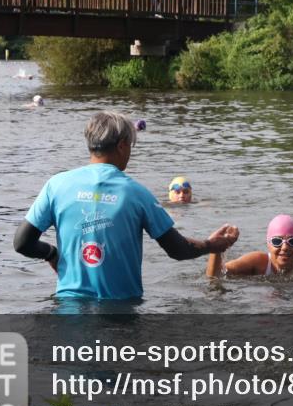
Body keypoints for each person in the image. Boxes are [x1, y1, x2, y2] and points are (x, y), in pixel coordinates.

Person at [13, 112, 240, 299]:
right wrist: (211, 245)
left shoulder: (56, 185)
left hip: (68, 310)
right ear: (122, 145)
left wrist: (52, 253)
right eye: (131, 145)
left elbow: (22, 243)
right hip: (121, 313)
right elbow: (177, 250)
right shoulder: (137, 193)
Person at [206, 214, 293, 276]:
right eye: (277, 241)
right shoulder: (257, 262)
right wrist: (216, 249)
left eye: (292, 241)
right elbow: (216, 276)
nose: (285, 247)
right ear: (268, 243)